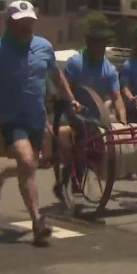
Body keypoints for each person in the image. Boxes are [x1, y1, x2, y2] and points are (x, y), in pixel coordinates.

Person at [0, 0, 81, 246]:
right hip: (11, 119)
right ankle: (38, 221)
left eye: (30, 21)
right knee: (27, 162)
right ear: (9, 23)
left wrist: (71, 99)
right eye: (21, 22)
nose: (27, 26)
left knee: (32, 165)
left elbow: (56, 76)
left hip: (37, 118)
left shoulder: (43, 47)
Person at [51, 27, 128, 198]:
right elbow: (64, 88)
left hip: (94, 113)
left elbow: (117, 98)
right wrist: (73, 104)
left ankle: (69, 176)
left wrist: (123, 122)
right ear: (89, 45)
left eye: (103, 46)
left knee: (95, 138)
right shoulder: (76, 62)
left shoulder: (109, 69)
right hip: (71, 108)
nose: (100, 49)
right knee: (84, 136)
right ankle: (74, 183)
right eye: (97, 45)